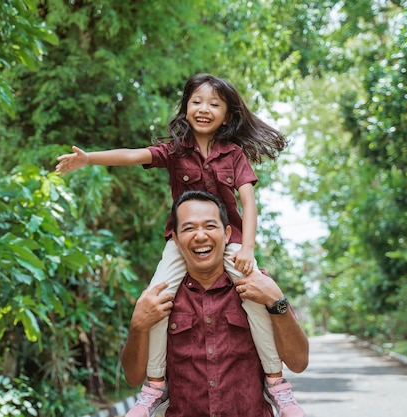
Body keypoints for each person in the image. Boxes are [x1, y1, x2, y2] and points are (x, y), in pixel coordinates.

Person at [56, 73, 303, 417]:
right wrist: (89, 159)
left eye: (214, 104)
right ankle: (154, 386)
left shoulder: (233, 154)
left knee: (257, 297)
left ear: (228, 116)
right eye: (196, 101)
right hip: (180, 239)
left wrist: (247, 248)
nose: (204, 109)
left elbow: (248, 203)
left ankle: (277, 383)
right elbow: (131, 155)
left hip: (229, 239)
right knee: (156, 298)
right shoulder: (174, 150)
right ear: (186, 108)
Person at [121, 190, 309, 416]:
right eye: (189, 228)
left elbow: (298, 362)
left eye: (210, 226)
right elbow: (133, 376)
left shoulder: (259, 286)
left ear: (228, 234)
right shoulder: (158, 297)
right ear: (177, 241)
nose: (200, 236)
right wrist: (138, 325)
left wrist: (277, 301)